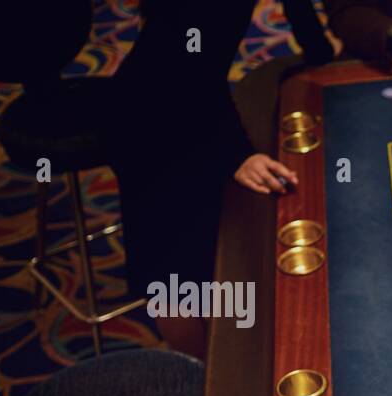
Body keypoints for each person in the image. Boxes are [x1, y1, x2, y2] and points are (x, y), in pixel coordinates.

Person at [109, 0, 295, 357]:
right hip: (147, 120)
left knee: (209, 255)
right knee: (173, 280)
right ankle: (206, 386)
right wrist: (239, 154)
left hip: (194, 97)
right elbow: (195, 71)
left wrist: (319, 53)